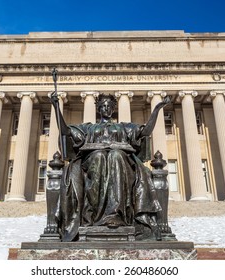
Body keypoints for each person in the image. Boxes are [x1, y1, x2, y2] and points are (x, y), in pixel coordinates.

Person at [50, 93, 170, 241]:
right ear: (99, 109)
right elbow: (66, 132)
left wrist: (156, 110)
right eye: (103, 106)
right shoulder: (89, 128)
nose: (106, 108)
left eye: (109, 106)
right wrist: (56, 108)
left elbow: (144, 132)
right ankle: (93, 215)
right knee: (99, 156)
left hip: (121, 162)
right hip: (93, 161)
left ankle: (116, 215)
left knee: (116, 155)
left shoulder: (123, 127)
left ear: (113, 109)